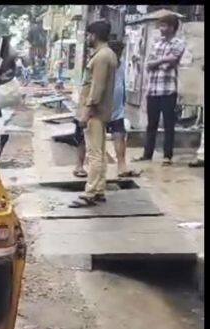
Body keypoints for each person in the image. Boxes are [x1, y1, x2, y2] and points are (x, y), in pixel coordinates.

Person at [69, 20, 117, 209]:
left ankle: (90, 193)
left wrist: (85, 113)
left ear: (94, 35)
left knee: (94, 154)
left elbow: (96, 89)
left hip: (94, 113)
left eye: (89, 35)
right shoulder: (108, 55)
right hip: (100, 111)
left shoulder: (101, 57)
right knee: (99, 152)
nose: (88, 38)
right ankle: (98, 190)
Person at [134, 13, 186, 166]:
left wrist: (159, 62)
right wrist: (161, 61)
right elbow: (149, 64)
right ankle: (147, 154)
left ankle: (167, 156)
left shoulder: (178, 43)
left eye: (164, 26)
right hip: (153, 90)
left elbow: (171, 61)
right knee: (152, 124)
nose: (161, 29)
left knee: (169, 124)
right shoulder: (157, 43)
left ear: (171, 28)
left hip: (168, 90)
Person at [108, 40, 140, 177]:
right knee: (94, 139)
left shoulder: (120, 65)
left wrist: (124, 102)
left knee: (119, 135)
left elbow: (122, 83)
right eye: (117, 52)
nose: (118, 55)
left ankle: (121, 165)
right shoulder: (106, 64)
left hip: (117, 108)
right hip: (104, 106)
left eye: (120, 52)